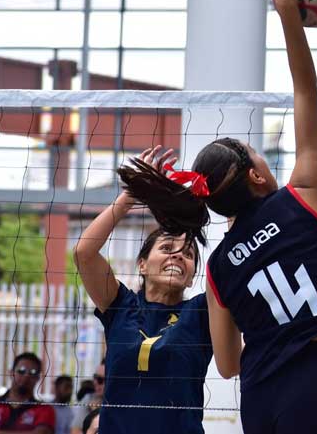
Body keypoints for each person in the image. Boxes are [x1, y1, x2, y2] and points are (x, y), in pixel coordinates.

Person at [121, 0, 317, 434]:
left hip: (261, 391)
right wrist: (286, 14)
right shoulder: (303, 200)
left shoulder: (217, 267)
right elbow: (305, 92)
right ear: (257, 176)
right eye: (260, 154)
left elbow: (228, 365)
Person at [74, 146, 214, 434]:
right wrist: (130, 195)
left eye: (188, 254)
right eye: (166, 248)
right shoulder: (120, 306)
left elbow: (233, 271)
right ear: (142, 264)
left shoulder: (201, 312)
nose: (177, 256)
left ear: (191, 278)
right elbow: (84, 252)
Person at [0, 352, 54, 434]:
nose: (26, 376)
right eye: (21, 371)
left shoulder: (45, 409)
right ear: (11, 373)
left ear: (38, 378)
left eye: (32, 373)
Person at [70, 363, 103, 433]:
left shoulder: (123, 402)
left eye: (100, 379)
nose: (95, 382)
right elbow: (75, 431)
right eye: (95, 377)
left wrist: (96, 412)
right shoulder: (89, 398)